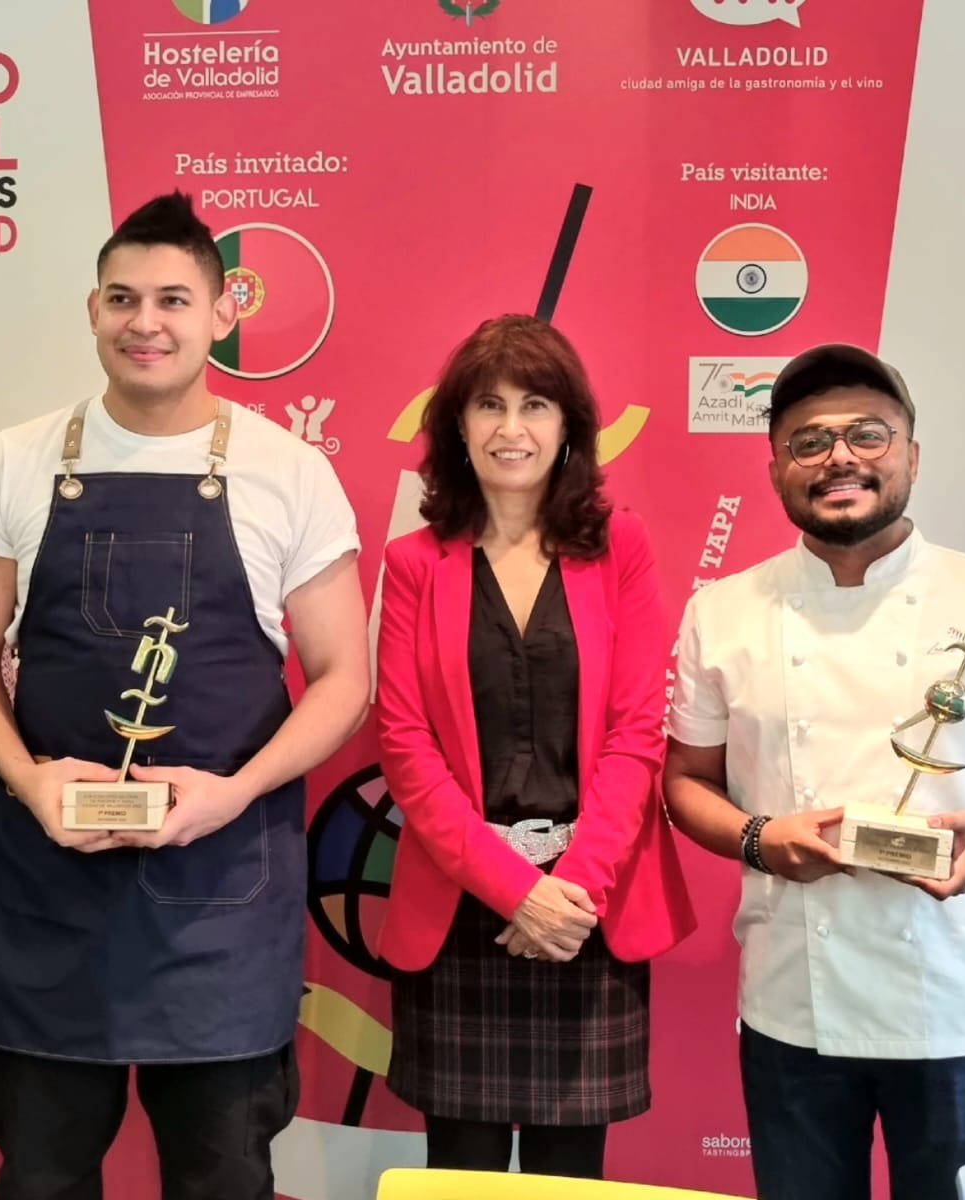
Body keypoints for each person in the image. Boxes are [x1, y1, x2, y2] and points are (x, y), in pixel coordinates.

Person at [0, 191, 370, 1200]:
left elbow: (345, 680)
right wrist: (29, 782)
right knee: (40, 1178)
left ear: (222, 313)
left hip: (223, 892)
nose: (147, 322)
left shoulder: (289, 472)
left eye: (173, 299)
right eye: (123, 298)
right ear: (93, 310)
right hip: (53, 890)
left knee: (222, 1180)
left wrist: (233, 792)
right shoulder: (12, 463)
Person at [663, 343, 965, 1200]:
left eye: (868, 434)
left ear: (912, 455)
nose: (839, 458)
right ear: (776, 468)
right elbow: (685, 782)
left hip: (961, 1005)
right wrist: (759, 838)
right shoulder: (722, 611)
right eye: (809, 441)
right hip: (793, 1004)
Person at [373, 315, 696, 1178]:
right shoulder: (414, 562)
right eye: (489, 405)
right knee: (462, 1176)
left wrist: (569, 892)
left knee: (570, 1178)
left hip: (587, 906)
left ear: (569, 427)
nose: (510, 428)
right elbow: (404, 744)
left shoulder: (620, 547)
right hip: (462, 904)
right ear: (457, 425)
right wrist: (516, 891)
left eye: (535, 405)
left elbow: (637, 732)